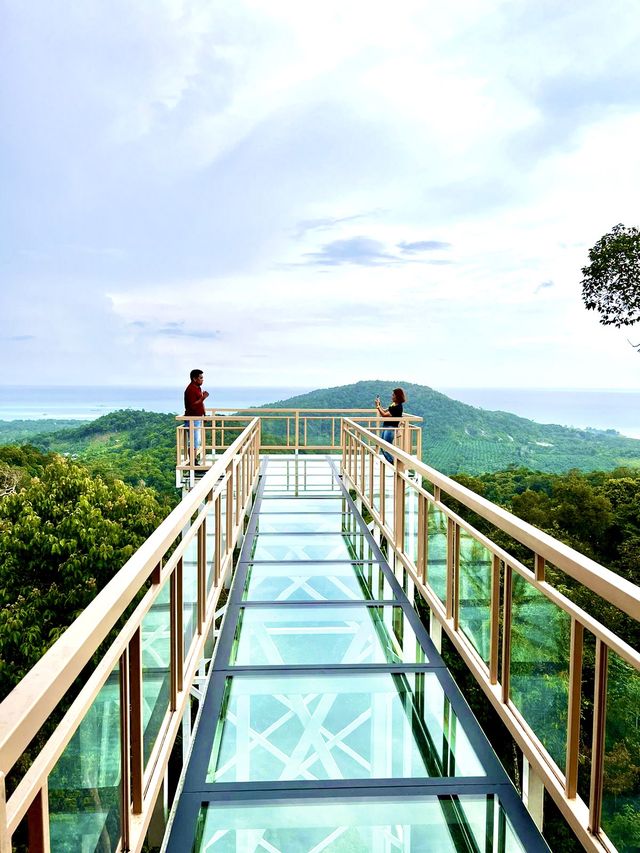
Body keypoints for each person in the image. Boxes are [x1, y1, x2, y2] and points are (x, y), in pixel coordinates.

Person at [375, 387, 406, 463]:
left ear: (397, 396)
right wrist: (379, 405)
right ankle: (394, 463)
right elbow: (385, 410)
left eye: (393, 395)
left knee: (386, 448)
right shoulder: (394, 405)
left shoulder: (397, 407)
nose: (392, 397)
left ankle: (395, 464)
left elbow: (384, 415)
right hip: (386, 427)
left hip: (390, 428)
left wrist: (378, 407)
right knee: (383, 447)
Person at [184, 369, 209, 459]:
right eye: (201, 378)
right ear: (195, 379)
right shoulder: (190, 389)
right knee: (194, 441)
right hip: (192, 419)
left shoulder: (197, 388)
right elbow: (192, 406)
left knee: (196, 441)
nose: (202, 380)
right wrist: (203, 397)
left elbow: (200, 404)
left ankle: (194, 461)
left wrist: (204, 415)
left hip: (197, 418)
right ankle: (193, 462)